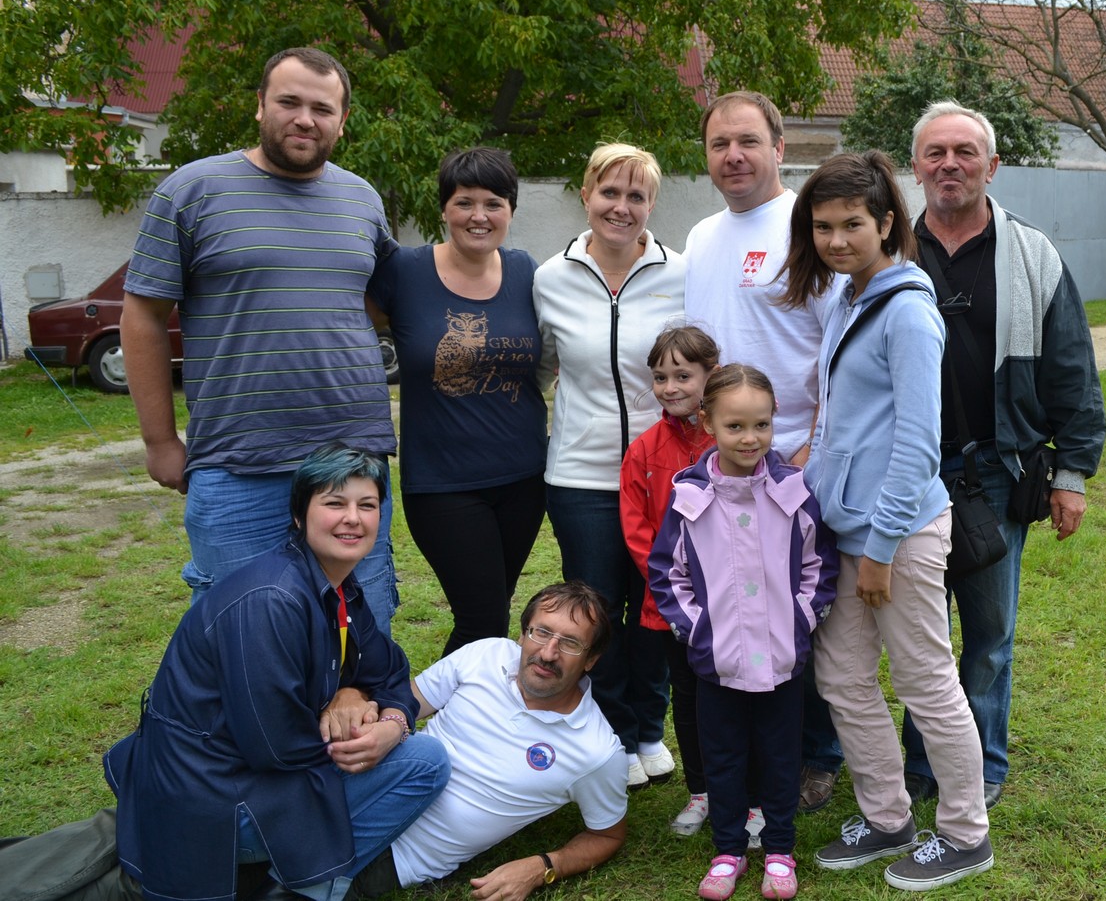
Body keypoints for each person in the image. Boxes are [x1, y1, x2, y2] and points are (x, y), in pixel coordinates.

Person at [0, 444, 451, 901]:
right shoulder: (271, 599)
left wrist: (385, 717)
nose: (352, 518)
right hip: (212, 794)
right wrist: (356, 732)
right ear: (299, 515)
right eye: (335, 503)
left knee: (414, 755)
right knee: (424, 764)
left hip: (238, 774)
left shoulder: (335, 585)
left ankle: (277, 879)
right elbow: (275, 747)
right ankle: (296, 886)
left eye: (367, 505)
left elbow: (390, 671)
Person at [120, 46, 401, 630]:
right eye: (289, 102)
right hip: (237, 466)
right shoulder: (191, 191)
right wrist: (160, 440)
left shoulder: (363, 199)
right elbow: (143, 316)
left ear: (343, 120)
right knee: (241, 634)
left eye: (322, 109)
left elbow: (380, 303)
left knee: (360, 628)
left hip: (352, 462)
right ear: (259, 105)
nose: (305, 119)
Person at [782, 152, 994, 891]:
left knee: (925, 681)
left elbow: (917, 445)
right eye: (823, 226)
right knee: (842, 678)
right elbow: (840, 419)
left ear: (885, 223)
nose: (836, 240)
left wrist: (880, 548)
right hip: (845, 531)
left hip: (896, 535)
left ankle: (965, 833)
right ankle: (887, 819)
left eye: (852, 225)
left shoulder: (907, 310)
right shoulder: (848, 295)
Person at [899, 102, 1106, 812]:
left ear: (992, 166)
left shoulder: (1032, 253)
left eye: (965, 152)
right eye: (935, 153)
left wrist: (1071, 474)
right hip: (909, 474)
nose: (949, 164)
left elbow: (1072, 368)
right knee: (921, 636)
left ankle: (982, 762)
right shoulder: (889, 248)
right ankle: (922, 766)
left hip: (996, 469)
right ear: (916, 166)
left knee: (989, 636)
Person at [683, 90, 846, 814]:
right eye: (720, 144)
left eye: (748, 141)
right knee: (741, 606)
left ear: (779, 148)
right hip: (723, 467)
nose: (734, 156)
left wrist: (815, 444)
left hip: (794, 464)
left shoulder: (808, 231)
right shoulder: (700, 237)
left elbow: (840, 349)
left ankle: (817, 755)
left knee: (804, 609)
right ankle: (753, 753)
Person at [648, 365, 838, 901]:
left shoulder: (794, 492)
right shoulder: (689, 496)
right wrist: (697, 630)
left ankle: (779, 849)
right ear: (707, 422)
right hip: (718, 662)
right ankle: (728, 850)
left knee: (781, 758)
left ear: (775, 420)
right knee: (723, 758)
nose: (749, 438)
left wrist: (801, 620)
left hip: (782, 660)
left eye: (761, 425)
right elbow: (668, 573)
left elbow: (819, 566)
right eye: (735, 426)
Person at [532, 143, 686, 791]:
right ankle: (616, 731)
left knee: (657, 607)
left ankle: (650, 728)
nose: (621, 207)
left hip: (663, 480)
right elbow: (540, 366)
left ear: (652, 205)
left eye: (636, 196)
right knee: (597, 610)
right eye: (610, 192)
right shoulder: (550, 278)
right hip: (582, 477)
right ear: (587, 194)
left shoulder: (681, 274)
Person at [342, 582, 628, 901]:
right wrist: (353, 695)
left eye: (571, 643)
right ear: (522, 634)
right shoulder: (485, 655)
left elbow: (608, 835)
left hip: (391, 858)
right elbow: (405, 701)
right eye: (541, 632)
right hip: (365, 791)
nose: (548, 653)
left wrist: (542, 867)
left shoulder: (596, 751)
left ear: (591, 659)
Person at [368, 147, 546, 655]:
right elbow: (345, 328)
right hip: (443, 483)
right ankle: (419, 702)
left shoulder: (526, 272)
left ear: (511, 210)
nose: (478, 216)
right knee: (482, 619)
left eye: (493, 203)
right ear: (444, 208)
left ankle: (468, 704)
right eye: (464, 202)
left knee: (495, 606)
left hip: (524, 477)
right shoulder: (403, 271)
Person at [619, 325, 722, 836]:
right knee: (688, 694)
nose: (670, 387)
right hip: (675, 608)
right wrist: (675, 588)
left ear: (711, 375)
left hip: (734, 602)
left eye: (683, 375)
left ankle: (748, 794)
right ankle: (701, 792)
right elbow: (637, 530)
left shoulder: (732, 440)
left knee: (738, 697)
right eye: (660, 377)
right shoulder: (643, 451)